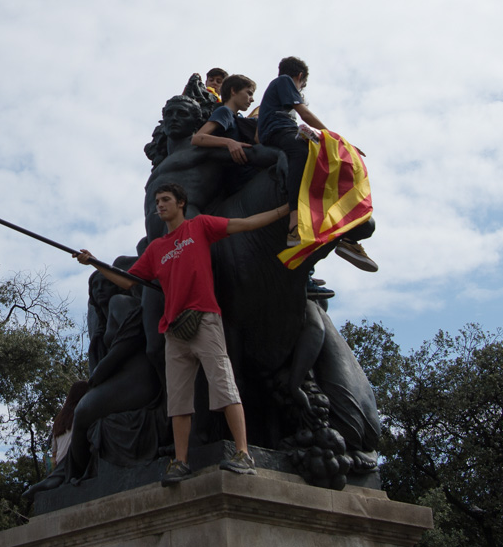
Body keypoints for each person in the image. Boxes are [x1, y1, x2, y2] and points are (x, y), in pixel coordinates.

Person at [76, 183, 292, 485]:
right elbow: (127, 282)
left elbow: (244, 224)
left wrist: (284, 211)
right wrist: (95, 262)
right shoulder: (156, 249)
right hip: (174, 330)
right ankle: (180, 461)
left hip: (204, 318)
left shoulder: (199, 227)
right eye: (157, 201)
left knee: (223, 385)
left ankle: (243, 452)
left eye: (165, 200)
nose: (159, 206)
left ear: (181, 204)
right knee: (178, 401)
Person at [256, 57, 376, 271]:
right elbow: (305, 113)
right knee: (306, 152)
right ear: (300, 77)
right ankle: (295, 221)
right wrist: (336, 138)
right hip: (281, 132)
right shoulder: (285, 81)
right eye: (302, 86)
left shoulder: (273, 95)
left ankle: (346, 236)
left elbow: (258, 134)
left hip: (281, 132)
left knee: (331, 156)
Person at [191, 74, 257, 164]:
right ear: (233, 91)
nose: (252, 99)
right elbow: (197, 138)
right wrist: (229, 142)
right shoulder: (225, 111)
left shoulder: (238, 118)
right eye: (249, 93)